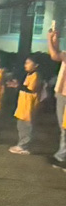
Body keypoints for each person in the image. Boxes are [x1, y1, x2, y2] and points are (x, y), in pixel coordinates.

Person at [8, 57, 40, 155]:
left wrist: (17, 85)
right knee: (21, 126)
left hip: (28, 107)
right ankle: (21, 144)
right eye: (25, 63)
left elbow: (31, 89)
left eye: (29, 63)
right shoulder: (28, 75)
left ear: (36, 65)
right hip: (23, 106)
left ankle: (24, 146)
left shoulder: (35, 75)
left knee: (26, 127)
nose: (26, 65)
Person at [46, 28, 66, 169]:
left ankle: (62, 156)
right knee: (63, 126)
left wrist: (49, 39)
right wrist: (55, 39)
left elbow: (55, 55)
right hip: (62, 92)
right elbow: (58, 53)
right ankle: (61, 155)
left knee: (64, 126)